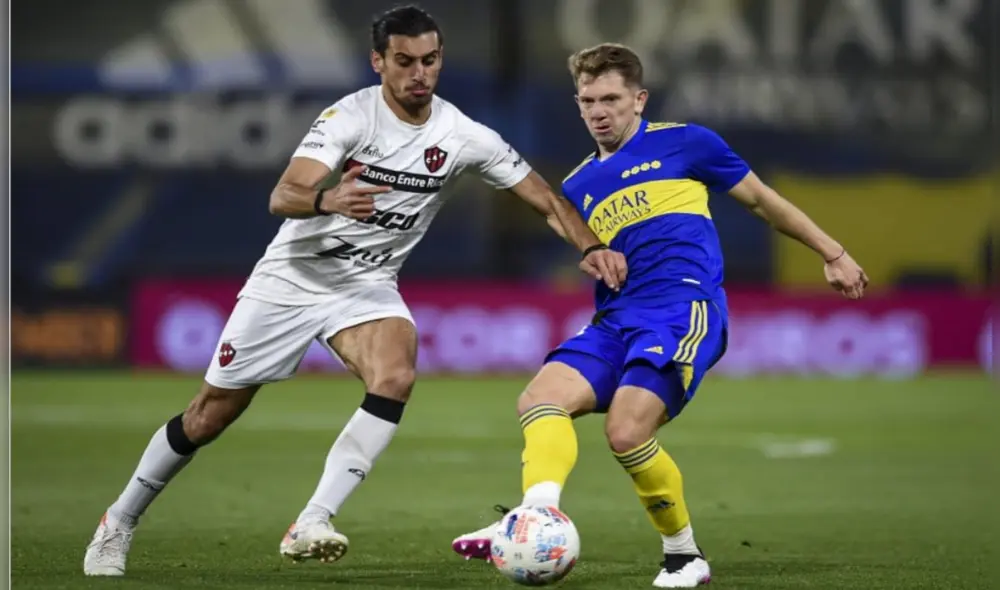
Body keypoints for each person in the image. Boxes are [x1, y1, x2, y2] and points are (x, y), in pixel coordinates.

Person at [83, 6, 626, 577]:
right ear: (378, 62)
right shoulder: (350, 117)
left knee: (395, 375)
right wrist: (328, 199)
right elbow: (283, 194)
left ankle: (312, 520)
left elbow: (547, 200)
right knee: (208, 416)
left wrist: (591, 246)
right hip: (293, 278)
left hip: (367, 285)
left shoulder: (464, 136)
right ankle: (119, 520)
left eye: (430, 60)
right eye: (404, 61)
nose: (420, 73)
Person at [451, 43, 868, 589]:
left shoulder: (687, 143)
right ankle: (534, 514)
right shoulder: (578, 184)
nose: (599, 111)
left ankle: (684, 556)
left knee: (626, 432)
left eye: (610, 99)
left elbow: (762, 201)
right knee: (539, 400)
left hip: (681, 309)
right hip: (615, 319)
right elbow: (578, 239)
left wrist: (833, 252)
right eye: (587, 101)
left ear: (639, 99)